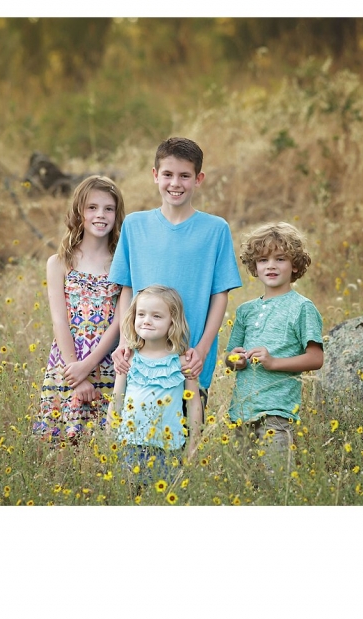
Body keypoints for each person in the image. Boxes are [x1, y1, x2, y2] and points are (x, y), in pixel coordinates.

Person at [108, 137, 242, 408]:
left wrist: (203, 349)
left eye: (184, 176)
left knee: (187, 436)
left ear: (198, 179)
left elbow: (220, 295)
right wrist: (124, 341)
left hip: (189, 359)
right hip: (142, 356)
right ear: (155, 175)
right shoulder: (135, 225)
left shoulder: (215, 230)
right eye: (168, 174)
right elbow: (127, 289)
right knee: (136, 438)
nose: (175, 183)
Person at [225, 222, 324, 479]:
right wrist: (236, 359)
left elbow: (316, 358)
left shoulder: (302, 307)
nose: (270, 265)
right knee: (244, 481)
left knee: (277, 479)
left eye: (280, 259)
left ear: (295, 265)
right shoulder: (246, 310)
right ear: (254, 267)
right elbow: (229, 357)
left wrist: (274, 362)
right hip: (243, 410)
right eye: (263, 260)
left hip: (277, 411)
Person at [33, 175, 125, 444]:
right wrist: (76, 372)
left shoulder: (122, 263)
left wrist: (89, 365)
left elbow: (120, 321)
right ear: (79, 212)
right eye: (92, 208)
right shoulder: (60, 262)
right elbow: (60, 321)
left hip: (108, 363)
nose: (101, 215)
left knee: (104, 448)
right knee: (62, 449)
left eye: (108, 209)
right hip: (67, 365)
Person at [108, 285, 203, 485]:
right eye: (141, 314)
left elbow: (194, 404)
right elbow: (117, 399)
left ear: (172, 322)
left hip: (169, 448)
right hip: (130, 445)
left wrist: (194, 444)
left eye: (157, 316)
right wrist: (109, 436)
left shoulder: (183, 361)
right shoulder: (129, 358)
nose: (147, 321)